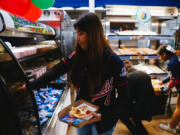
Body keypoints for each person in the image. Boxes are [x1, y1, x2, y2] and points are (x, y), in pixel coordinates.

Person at [29, 13, 129, 135]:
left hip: (104, 120)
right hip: (81, 114)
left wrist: (103, 115)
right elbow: (56, 71)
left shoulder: (114, 62)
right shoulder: (77, 56)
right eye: (77, 33)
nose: (77, 38)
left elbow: (124, 97)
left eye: (81, 33)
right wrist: (30, 86)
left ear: (93, 35)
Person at [121, 60, 156, 135]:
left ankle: (135, 131)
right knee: (133, 112)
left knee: (121, 113)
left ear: (125, 70)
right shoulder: (144, 73)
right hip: (149, 105)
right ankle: (141, 130)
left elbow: (129, 97)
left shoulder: (130, 77)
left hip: (139, 106)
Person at [157, 45, 180, 134]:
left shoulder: (172, 63)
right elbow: (173, 75)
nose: (159, 58)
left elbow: (174, 80)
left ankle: (172, 127)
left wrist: (165, 89)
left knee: (179, 108)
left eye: (159, 56)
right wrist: (162, 82)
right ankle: (177, 126)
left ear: (164, 54)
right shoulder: (176, 59)